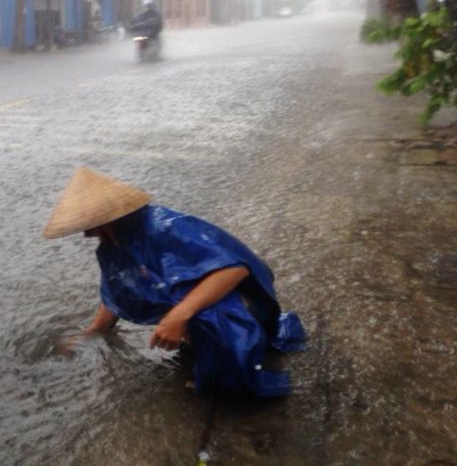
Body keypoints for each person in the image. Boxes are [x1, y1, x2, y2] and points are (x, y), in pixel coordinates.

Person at [43, 167, 306, 397]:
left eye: (91, 225)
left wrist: (179, 315)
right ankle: (201, 344)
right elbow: (118, 291)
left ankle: (228, 371)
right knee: (188, 311)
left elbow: (234, 269)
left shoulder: (169, 228)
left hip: (243, 304)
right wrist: (91, 333)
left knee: (209, 318)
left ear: (111, 218)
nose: (87, 234)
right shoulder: (112, 246)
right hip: (201, 303)